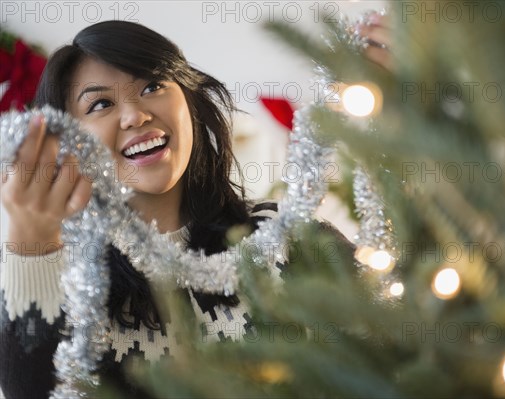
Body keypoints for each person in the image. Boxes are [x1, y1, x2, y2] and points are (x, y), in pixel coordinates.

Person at [0, 15, 387, 398]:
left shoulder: (292, 240)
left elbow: (404, 347)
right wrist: (29, 247)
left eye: (153, 85)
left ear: (190, 101)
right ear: (68, 142)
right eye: (100, 103)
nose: (135, 114)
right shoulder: (60, 280)